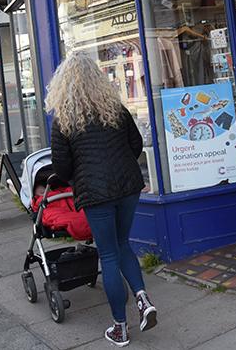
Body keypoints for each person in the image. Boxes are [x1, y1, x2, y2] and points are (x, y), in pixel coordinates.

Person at [45, 51, 157, 347]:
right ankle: (143, 300)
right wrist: (119, 170)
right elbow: (136, 144)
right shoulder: (115, 108)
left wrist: (82, 178)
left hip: (96, 195)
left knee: (108, 254)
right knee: (123, 245)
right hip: (128, 187)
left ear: (63, 84)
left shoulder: (63, 120)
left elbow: (61, 167)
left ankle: (120, 327)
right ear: (97, 78)